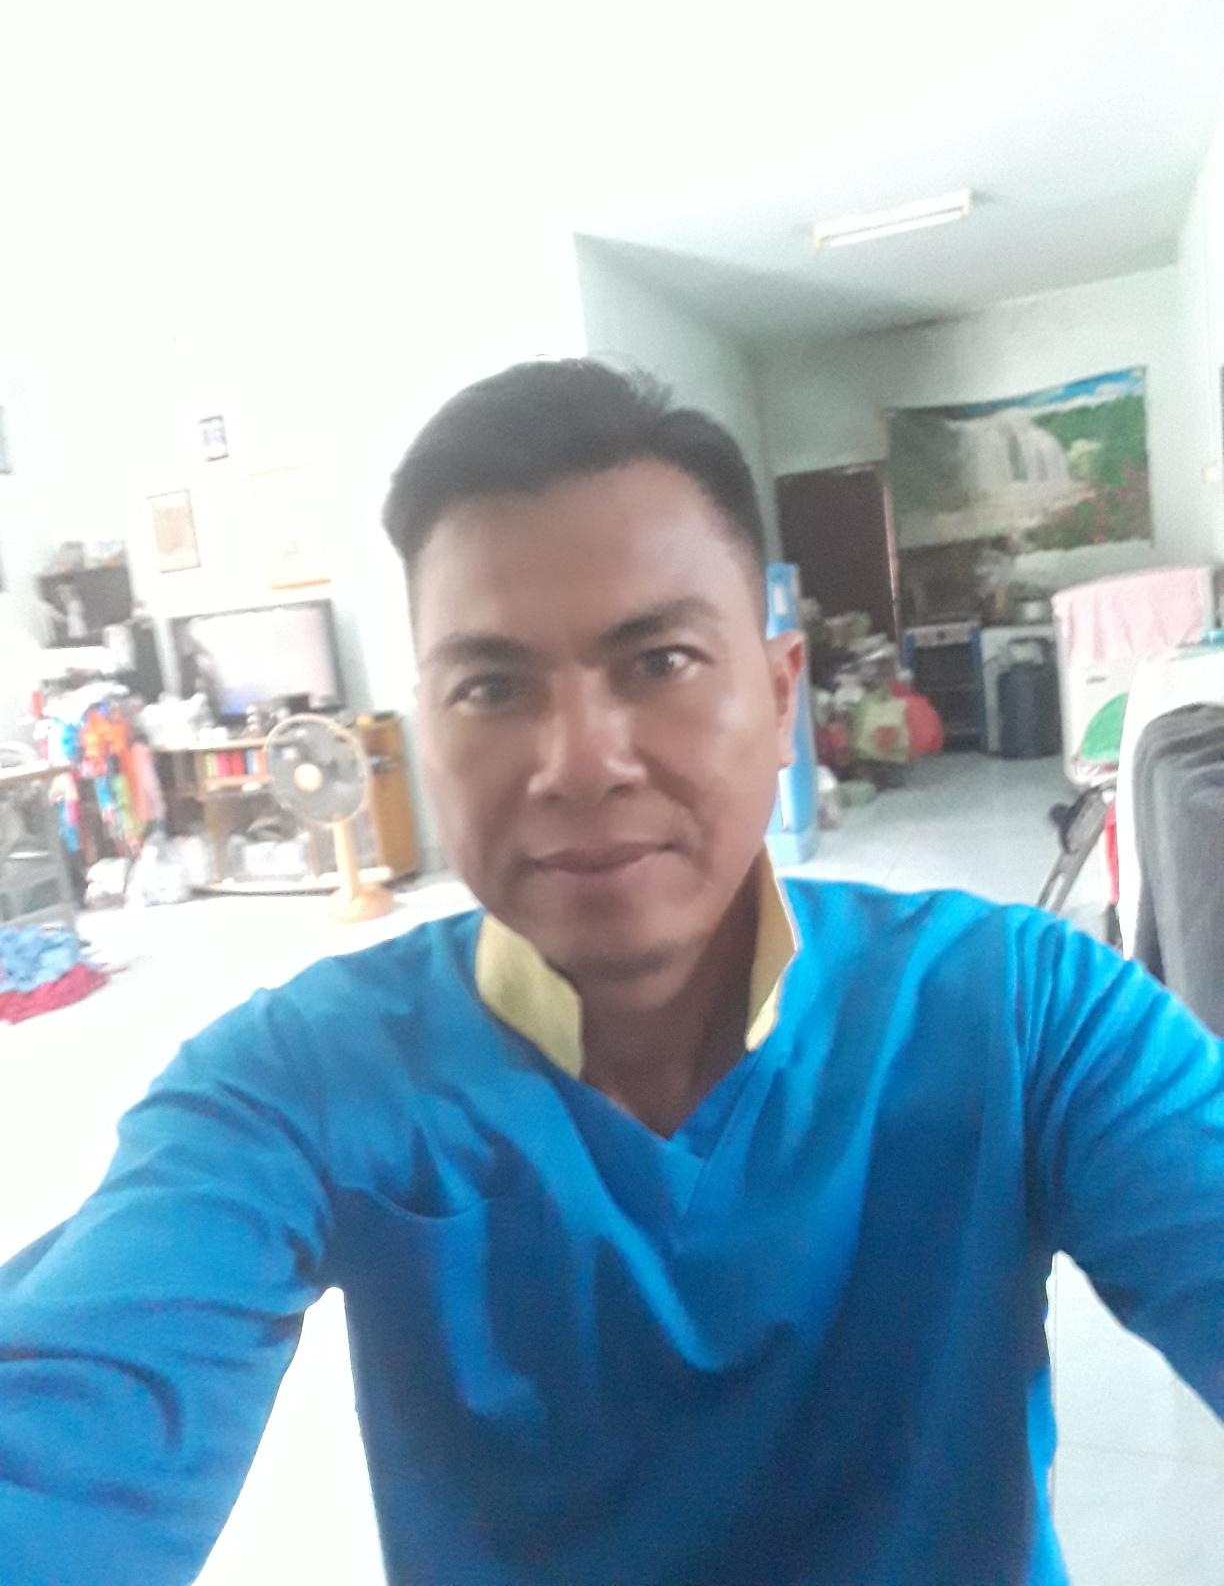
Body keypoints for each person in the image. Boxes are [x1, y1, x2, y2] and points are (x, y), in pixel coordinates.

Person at [0, 360, 1221, 1586]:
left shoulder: (1020, 1018)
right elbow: (72, 1416)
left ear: (779, 694)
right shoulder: (301, 1082)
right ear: (425, 730)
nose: (579, 764)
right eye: (492, 686)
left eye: (660, 662)